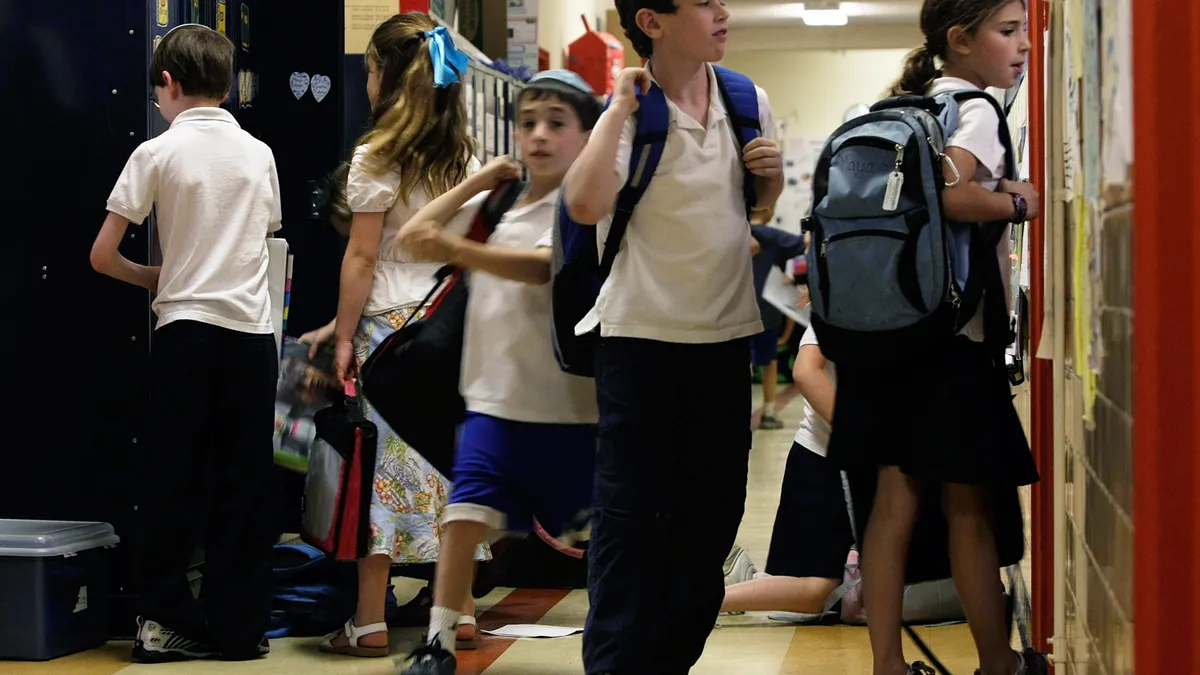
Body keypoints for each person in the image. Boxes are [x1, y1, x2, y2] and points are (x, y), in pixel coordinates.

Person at [563, 1, 783, 672]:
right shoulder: (628, 109)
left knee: (710, 525)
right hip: (638, 343)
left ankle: (666, 662)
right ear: (653, 22)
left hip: (724, 343)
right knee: (630, 527)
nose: (723, 13)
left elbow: (753, 209)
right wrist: (615, 112)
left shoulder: (746, 99)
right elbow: (583, 204)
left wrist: (769, 180)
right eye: (705, 3)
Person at [828, 1, 1047, 674]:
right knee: (969, 509)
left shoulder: (895, 106)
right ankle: (997, 664)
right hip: (949, 344)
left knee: (891, 508)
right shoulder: (976, 106)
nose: (1023, 46)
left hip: (882, 339)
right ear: (961, 40)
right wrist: (1020, 199)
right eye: (1007, 32)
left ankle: (888, 665)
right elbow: (955, 193)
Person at [393, 69, 602, 675]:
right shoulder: (506, 202)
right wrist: (479, 181)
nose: (539, 136)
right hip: (493, 398)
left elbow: (541, 269)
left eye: (557, 125)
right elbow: (412, 235)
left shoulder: (588, 204)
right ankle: (437, 644)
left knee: (605, 537)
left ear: (587, 137)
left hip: (568, 407)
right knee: (463, 512)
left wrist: (457, 248)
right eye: (528, 123)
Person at [90, 24, 279, 662]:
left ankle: (163, 623)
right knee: (244, 487)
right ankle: (240, 629)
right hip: (252, 337)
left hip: (185, 334)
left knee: (172, 481)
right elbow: (266, 241)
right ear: (227, 85)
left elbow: (102, 255)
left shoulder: (157, 152)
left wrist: (155, 276)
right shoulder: (260, 153)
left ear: (167, 84)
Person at [308, 12, 487, 658]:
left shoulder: (376, 156)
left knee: (381, 477)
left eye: (370, 72)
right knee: (447, 469)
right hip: (444, 331)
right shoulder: (463, 156)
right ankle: (459, 611)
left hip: (387, 334)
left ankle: (368, 619)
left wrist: (345, 336)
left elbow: (361, 258)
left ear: (383, 77)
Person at [721, 326, 855, 619]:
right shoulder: (845, 298)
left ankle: (740, 583)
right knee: (822, 592)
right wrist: (858, 435)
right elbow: (805, 372)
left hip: (873, 465)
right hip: (826, 463)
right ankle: (701, 601)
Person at [748, 207, 807, 430]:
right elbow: (806, 244)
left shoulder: (732, 230)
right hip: (767, 309)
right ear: (769, 209)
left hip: (733, 309)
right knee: (769, 361)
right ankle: (769, 410)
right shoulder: (773, 237)